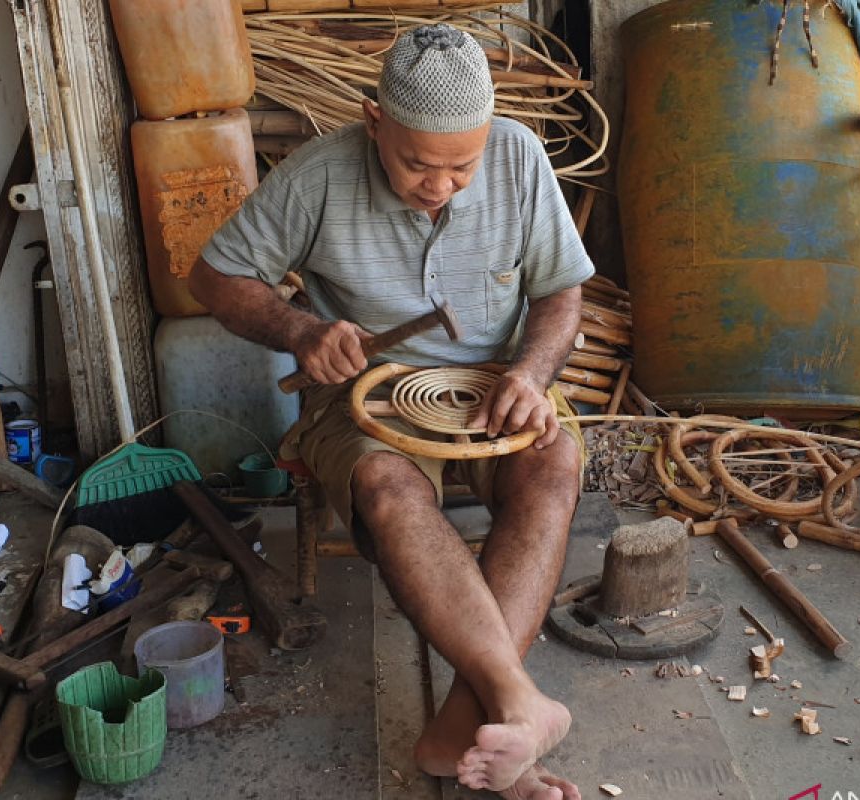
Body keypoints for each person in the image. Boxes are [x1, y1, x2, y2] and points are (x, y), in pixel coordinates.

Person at [189, 23, 591, 800]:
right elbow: (216, 279)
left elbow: (560, 292)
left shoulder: (519, 156)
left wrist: (533, 374)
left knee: (554, 459)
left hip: (494, 382)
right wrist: (300, 330)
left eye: (460, 167)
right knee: (386, 488)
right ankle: (513, 709)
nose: (439, 185)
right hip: (361, 395)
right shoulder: (319, 176)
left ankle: (472, 723)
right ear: (375, 121)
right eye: (415, 163)